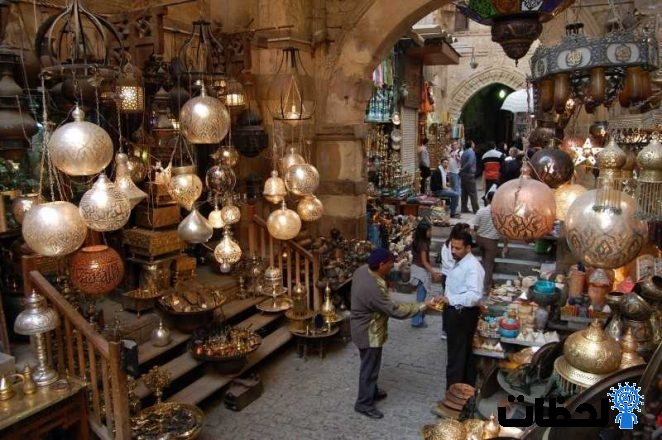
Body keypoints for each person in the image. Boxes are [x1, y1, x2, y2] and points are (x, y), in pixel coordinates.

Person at [351, 248, 432, 419]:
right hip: (368, 332)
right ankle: (364, 403)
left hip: (362, 328)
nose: (391, 267)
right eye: (389, 264)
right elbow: (395, 310)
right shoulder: (372, 288)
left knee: (370, 364)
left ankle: (371, 391)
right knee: (369, 368)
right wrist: (423, 305)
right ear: (381, 264)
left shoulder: (362, 270)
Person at [431, 230, 485, 390]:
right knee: (461, 355)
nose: (453, 251)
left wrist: (451, 299)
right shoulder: (460, 262)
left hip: (463, 315)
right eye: (452, 247)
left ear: (468, 248)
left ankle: (454, 394)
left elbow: (474, 295)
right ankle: (463, 391)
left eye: (457, 248)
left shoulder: (472, 267)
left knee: (457, 358)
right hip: (455, 312)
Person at [439, 222, 472, 340]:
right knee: (448, 302)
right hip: (449, 276)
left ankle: (455, 328)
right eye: (466, 231)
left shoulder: (465, 247)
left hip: (458, 276)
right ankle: (446, 329)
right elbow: (447, 262)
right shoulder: (447, 246)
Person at [409, 218, 441, 328]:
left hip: (415, 269)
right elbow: (424, 261)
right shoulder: (423, 244)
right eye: (429, 230)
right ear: (424, 232)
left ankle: (419, 318)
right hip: (420, 271)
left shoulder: (416, 240)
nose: (431, 232)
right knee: (421, 299)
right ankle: (416, 321)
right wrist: (433, 272)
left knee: (420, 297)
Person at [474, 191, 502, 292]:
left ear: (487, 199)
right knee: (489, 265)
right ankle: (486, 287)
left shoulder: (481, 211)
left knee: (484, 262)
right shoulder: (500, 213)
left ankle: (486, 282)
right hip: (492, 241)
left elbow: (476, 227)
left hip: (480, 239)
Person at [460, 139, 479, 214]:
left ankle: (464, 207)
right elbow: (470, 163)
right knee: (472, 193)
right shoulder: (471, 152)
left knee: (464, 192)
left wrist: (462, 170)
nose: (474, 145)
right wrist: (463, 169)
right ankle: (476, 209)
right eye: (473, 143)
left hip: (463, 175)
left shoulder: (464, 153)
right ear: (471, 145)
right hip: (469, 174)